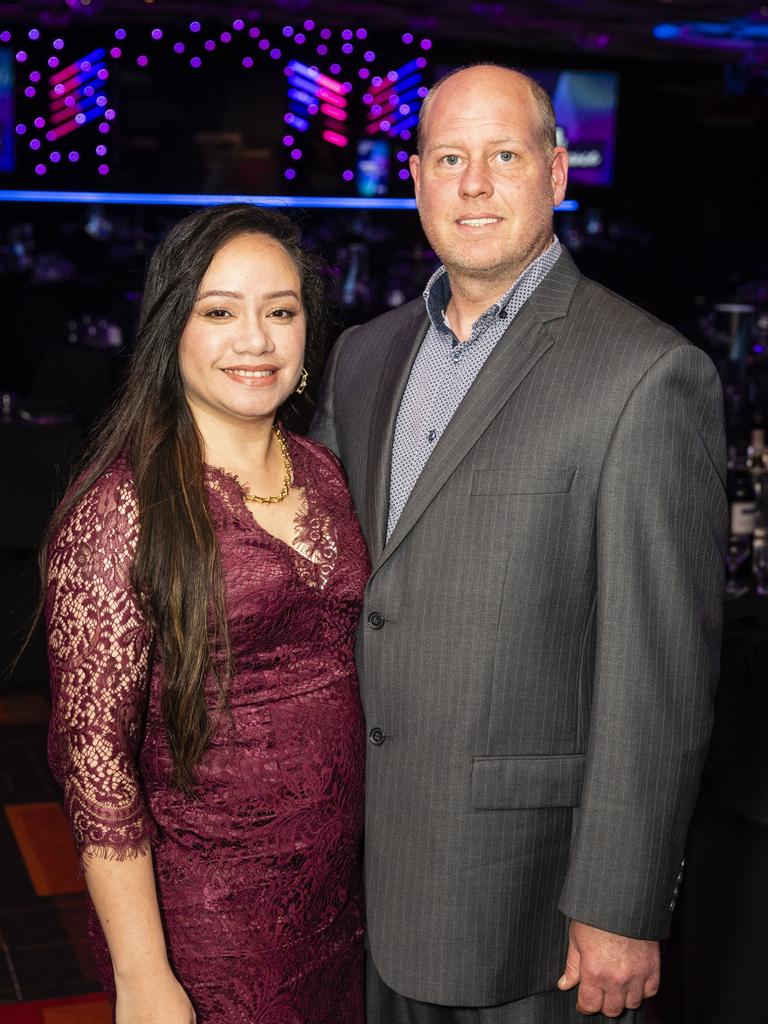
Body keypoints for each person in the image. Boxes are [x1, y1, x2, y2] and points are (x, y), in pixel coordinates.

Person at [311, 64, 727, 1023]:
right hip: (363, 869)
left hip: (528, 900)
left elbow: (657, 673)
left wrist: (620, 908)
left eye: (503, 156)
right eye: (449, 158)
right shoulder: (361, 357)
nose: (473, 183)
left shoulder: (647, 373)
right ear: (412, 177)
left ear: (558, 174)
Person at [44, 204, 369, 1024]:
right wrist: (144, 976)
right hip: (212, 924)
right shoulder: (122, 513)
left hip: (345, 905)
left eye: (281, 311)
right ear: (170, 334)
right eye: (219, 312)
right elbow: (93, 763)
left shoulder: (327, 474)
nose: (255, 340)